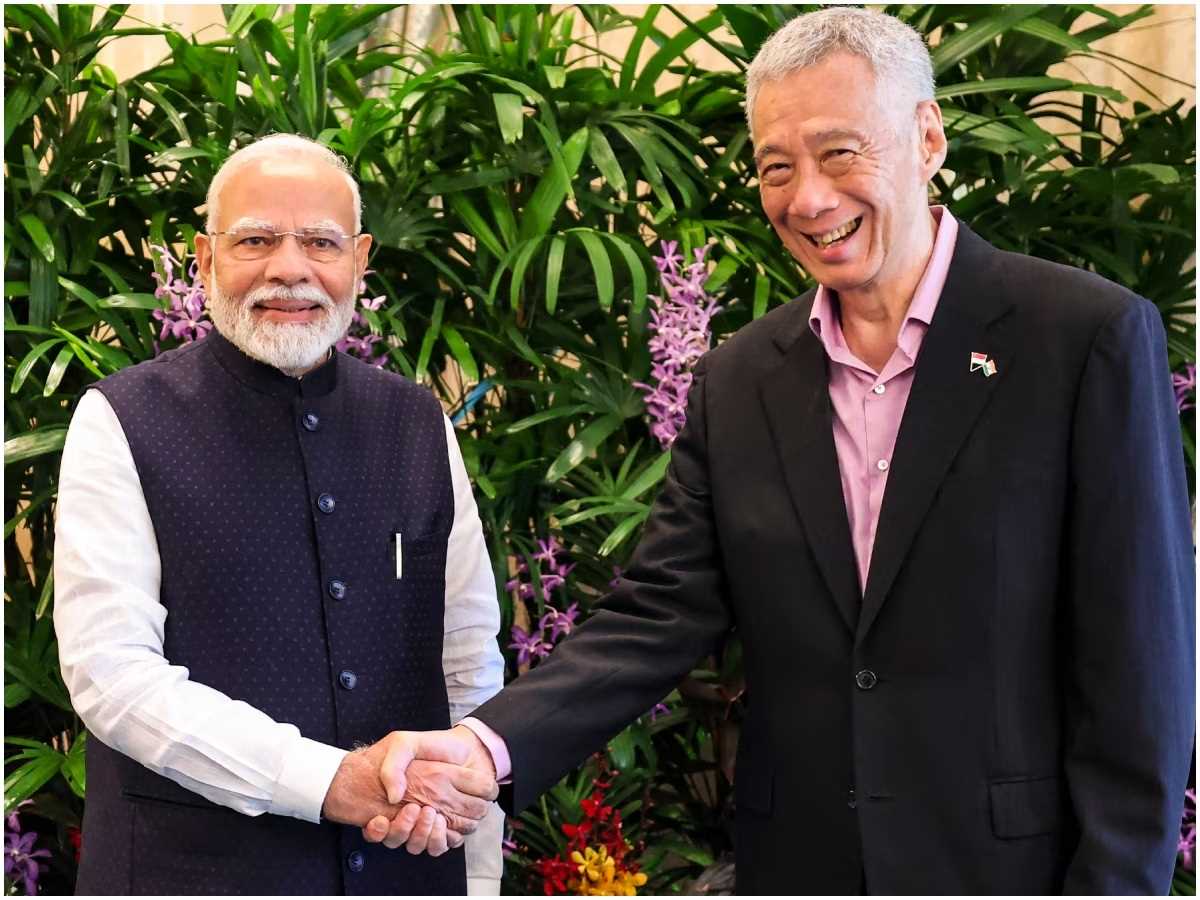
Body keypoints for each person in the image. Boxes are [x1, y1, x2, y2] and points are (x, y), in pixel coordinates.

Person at [378, 7, 1196, 894]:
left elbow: (1139, 662)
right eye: (777, 167)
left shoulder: (1080, 339)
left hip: (1005, 869)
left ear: (927, 139)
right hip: (798, 867)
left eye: (839, 153)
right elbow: (657, 613)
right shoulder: (740, 380)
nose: (807, 199)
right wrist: (485, 749)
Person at [53, 133, 506, 895]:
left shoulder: (416, 420)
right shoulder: (121, 419)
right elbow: (112, 674)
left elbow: (466, 659)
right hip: (190, 873)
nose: (290, 268)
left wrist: (480, 870)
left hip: (407, 871)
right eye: (255, 239)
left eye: (321, 242)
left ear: (360, 260)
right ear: (204, 258)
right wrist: (328, 781)